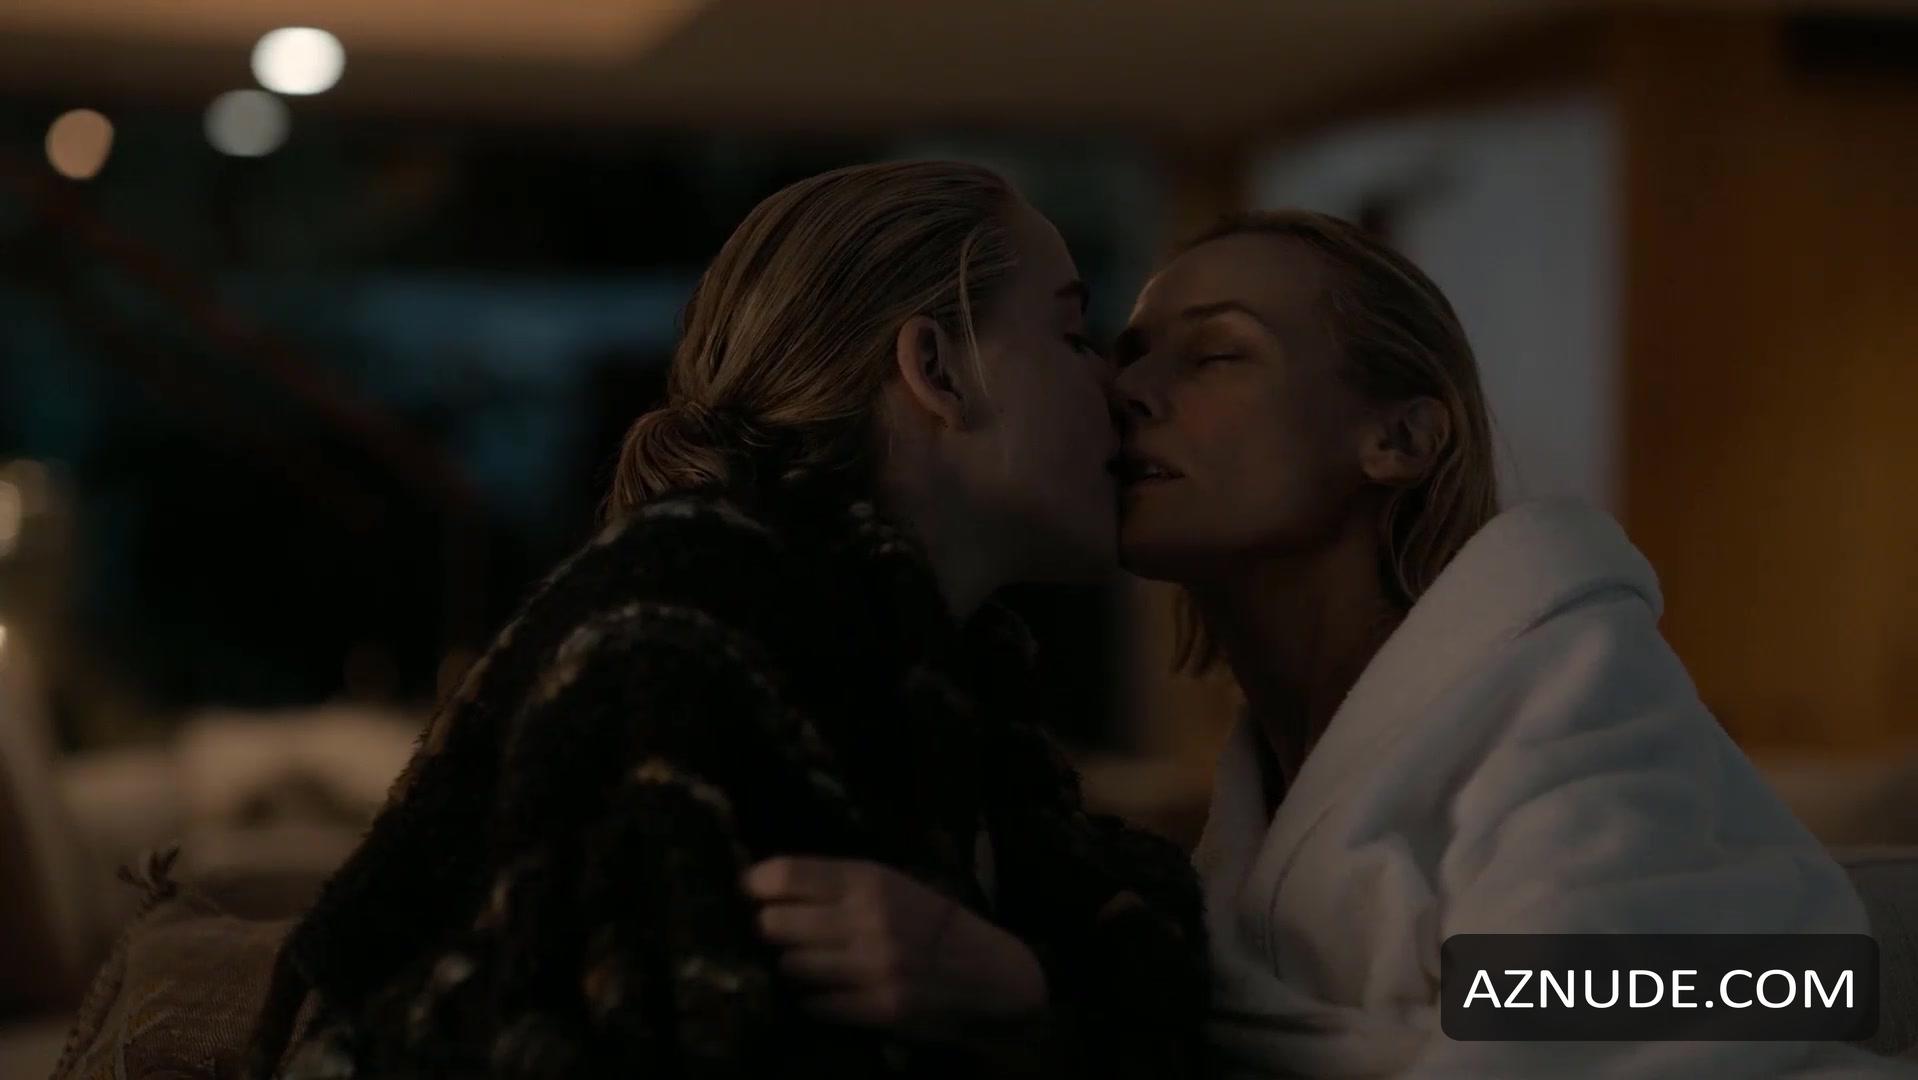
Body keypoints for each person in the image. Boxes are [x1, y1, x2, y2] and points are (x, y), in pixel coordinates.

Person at [243, 161, 1207, 1078]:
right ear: (936, 371)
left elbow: (1144, 939)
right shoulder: (693, 628)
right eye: (1074, 335)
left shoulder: (947, 687)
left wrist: (1021, 990)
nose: (1116, 386)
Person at [1110, 209, 1897, 1076]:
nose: (1127, 390)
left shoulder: (1570, 688)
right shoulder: (1266, 794)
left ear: (1400, 439)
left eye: (1215, 354)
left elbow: (1725, 1001)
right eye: (1125, 354)